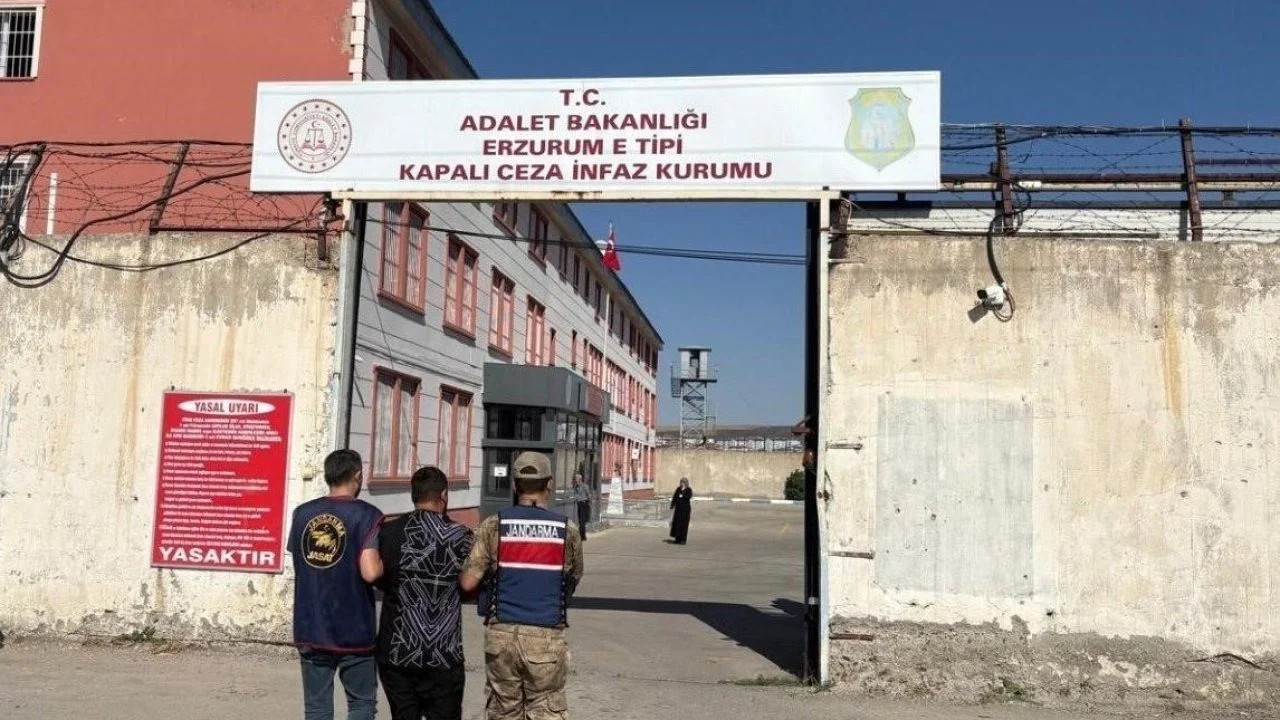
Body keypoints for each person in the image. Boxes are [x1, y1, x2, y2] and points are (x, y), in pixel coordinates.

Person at [460, 451, 584, 720]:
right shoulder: (567, 529)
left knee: (503, 711)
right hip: (546, 636)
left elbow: (468, 581)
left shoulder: (494, 525)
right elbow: (574, 577)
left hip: (501, 637)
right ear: (549, 483)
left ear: (515, 485)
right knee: (546, 709)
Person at [288, 449, 384, 720]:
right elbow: (370, 572)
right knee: (361, 703)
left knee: (316, 707)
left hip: (311, 623)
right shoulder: (367, 515)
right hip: (353, 627)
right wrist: (384, 566)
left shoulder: (302, 514)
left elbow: (300, 560)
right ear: (357, 475)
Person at [375, 466, 475, 720]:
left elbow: (381, 580)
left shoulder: (389, 532)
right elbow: (470, 587)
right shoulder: (462, 537)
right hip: (444, 655)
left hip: (398, 651)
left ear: (413, 495)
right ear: (444, 495)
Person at [669, 478, 693, 545]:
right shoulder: (678, 489)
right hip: (678, 510)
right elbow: (675, 497)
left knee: (683, 525)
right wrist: (672, 504)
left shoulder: (688, 489)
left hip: (685, 510)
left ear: (686, 483)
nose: (682, 484)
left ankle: (683, 540)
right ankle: (677, 539)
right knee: (677, 524)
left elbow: (689, 496)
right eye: (681, 482)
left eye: (683, 482)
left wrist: (683, 494)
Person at [571, 473, 591, 543]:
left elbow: (589, 495)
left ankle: (582, 536)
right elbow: (576, 495)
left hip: (584, 504)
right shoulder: (576, 486)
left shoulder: (584, 486)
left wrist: (588, 502)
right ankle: (583, 536)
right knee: (580, 521)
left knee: (582, 521)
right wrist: (575, 499)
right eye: (575, 478)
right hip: (579, 504)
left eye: (576, 478)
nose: (575, 480)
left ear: (580, 479)